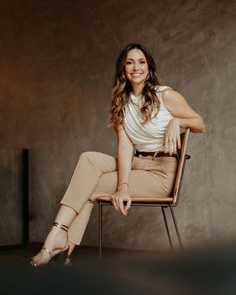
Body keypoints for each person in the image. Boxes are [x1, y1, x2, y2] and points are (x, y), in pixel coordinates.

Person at [30, 43, 205, 267]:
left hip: (162, 173)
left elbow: (200, 123)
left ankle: (58, 245)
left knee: (91, 185)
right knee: (88, 159)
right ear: (123, 69)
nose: (136, 67)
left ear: (149, 68)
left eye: (141, 62)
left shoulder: (166, 96)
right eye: (129, 62)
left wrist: (177, 121)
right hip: (136, 164)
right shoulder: (121, 103)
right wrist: (123, 185)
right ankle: (57, 236)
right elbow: (124, 146)